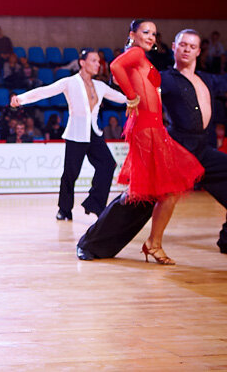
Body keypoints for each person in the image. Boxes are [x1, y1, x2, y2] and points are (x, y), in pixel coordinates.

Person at [78, 28, 227, 259]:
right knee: (138, 199)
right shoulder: (164, 78)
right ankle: (93, 244)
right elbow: (131, 81)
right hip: (176, 148)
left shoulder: (207, 79)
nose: (187, 49)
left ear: (199, 51)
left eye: (192, 46)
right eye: (183, 45)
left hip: (203, 150)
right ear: (174, 48)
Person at [100, 20, 204, 264]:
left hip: (154, 128)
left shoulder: (141, 58)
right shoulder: (135, 53)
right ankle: (150, 243)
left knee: (165, 191)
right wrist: (132, 96)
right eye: (145, 32)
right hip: (146, 129)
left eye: (154, 34)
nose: (150, 37)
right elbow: (115, 66)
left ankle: (153, 243)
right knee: (161, 190)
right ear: (132, 34)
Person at [12, 49, 127, 219]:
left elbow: (124, 98)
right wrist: (20, 98)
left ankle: (95, 203)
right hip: (76, 133)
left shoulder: (100, 86)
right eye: (94, 60)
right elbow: (44, 91)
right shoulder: (70, 82)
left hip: (94, 133)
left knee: (108, 165)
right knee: (70, 173)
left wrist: (148, 94)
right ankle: (64, 210)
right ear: (82, 62)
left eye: (98, 61)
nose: (98, 64)